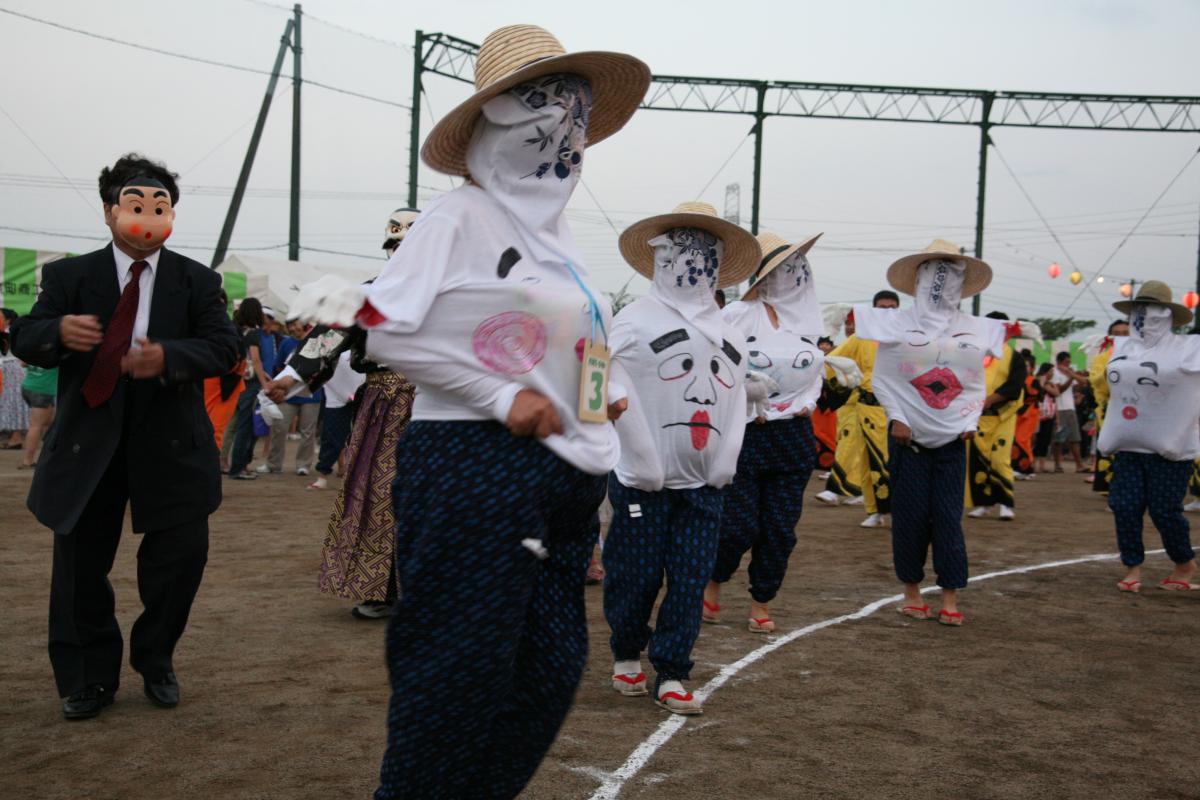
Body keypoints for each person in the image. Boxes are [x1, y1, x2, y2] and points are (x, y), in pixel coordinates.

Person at [290, 26, 650, 799]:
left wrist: (598, 404)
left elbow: (579, 347)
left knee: (547, 673)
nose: (562, 130)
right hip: (474, 465)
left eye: (574, 114)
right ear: (495, 121)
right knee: (456, 675)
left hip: (562, 478)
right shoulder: (458, 218)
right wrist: (499, 394)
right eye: (542, 109)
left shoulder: (558, 242)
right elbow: (383, 326)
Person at [10, 153, 238, 719]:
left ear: (171, 215)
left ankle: (156, 658)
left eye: (161, 205)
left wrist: (170, 356)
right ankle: (89, 676)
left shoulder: (196, 280)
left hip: (171, 442)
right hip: (89, 441)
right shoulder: (68, 276)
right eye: (134, 203)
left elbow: (224, 347)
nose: (147, 214)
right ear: (111, 212)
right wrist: (58, 331)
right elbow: (26, 334)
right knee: (79, 570)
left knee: (179, 562)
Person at [604, 201, 757, 714]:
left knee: (691, 579)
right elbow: (599, 379)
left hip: (703, 486)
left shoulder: (731, 331)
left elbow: (734, 398)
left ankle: (672, 670)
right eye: (682, 251)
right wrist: (636, 450)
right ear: (661, 256)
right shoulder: (631, 320)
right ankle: (627, 652)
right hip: (639, 484)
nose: (694, 265)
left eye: (705, 254)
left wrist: (726, 459)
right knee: (635, 575)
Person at [270, 208, 422, 619]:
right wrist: (288, 380)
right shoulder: (366, 296)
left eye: (412, 245)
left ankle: (436, 594)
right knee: (377, 494)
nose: (402, 253)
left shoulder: (449, 295)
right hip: (384, 403)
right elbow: (325, 341)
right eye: (396, 246)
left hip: (440, 405)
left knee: (439, 497)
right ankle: (380, 590)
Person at [705, 230, 855, 632]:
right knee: (738, 526)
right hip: (747, 434)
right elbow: (713, 365)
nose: (795, 275)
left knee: (779, 529)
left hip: (793, 436)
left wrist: (811, 396)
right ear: (765, 275)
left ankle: (761, 601)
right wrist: (744, 392)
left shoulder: (807, 324)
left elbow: (812, 374)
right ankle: (714, 580)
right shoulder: (737, 315)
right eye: (785, 269)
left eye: (799, 268)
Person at [852, 240, 1007, 626]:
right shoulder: (893, 324)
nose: (941, 283)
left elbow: (976, 384)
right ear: (919, 279)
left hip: (955, 441)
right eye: (933, 274)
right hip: (908, 440)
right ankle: (912, 591)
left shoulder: (979, 329)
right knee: (909, 517)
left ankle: (950, 595)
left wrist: (970, 422)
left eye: (951, 274)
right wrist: (897, 417)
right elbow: (883, 379)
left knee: (948, 518)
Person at [1097, 281, 1200, 592]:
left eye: (1152, 310)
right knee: (1124, 505)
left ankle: (1184, 562)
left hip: (1172, 448)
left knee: (1164, 510)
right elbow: (1106, 386)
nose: (1143, 317)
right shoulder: (1122, 348)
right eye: (1138, 311)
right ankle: (1133, 566)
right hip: (1128, 444)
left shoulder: (1188, 348)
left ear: (1168, 314)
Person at [815, 289, 900, 528]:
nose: (888, 311)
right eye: (882, 307)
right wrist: (843, 381)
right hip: (867, 406)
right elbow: (833, 360)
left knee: (897, 461)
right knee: (869, 460)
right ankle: (876, 510)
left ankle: (901, 511)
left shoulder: (907, 337)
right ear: (873, 310)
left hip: (900, 409)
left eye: (892, 307)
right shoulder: (862, 337)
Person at [965, 312, 1027, 520]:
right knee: (978, 460)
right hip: (977, 416)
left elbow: (1014, 386)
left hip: (1002, 415)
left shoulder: (1013, 356)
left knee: (1000, 459)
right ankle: (983, 503)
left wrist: (989, 400)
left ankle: (1005, 503)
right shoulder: (973, 352)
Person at [262, 320, 321, 475]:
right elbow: (279, 366)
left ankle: (303, 465)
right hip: (287, 393)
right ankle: (273, 464)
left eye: (296, 324)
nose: (293, 328)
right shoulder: (286, 343)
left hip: (312, 394)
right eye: (290, 325)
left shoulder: (317, 342)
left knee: (308, 431)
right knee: (279, 427)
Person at [226, 298, 272, 479]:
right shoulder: (253, 334)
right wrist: (265, 383)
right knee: (246, 427)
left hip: (235, 380)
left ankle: (240, 466)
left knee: (237, 425)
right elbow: (255, 360)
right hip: (250, 384)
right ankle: (238, 468)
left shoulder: (234, 330)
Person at [307, 351, 364, 491]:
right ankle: (322, 475)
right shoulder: (328, 344)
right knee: (331, 436)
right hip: (336, 395)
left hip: (364, 391)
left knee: (365, 436)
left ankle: (360, 477)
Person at [1089, 319, 1129, 494]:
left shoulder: (1142, 356)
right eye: (1117, 334)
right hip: (1109, 411)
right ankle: (1111, 487)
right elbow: (1096, 383)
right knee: (1110, 450)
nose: (1121, 337)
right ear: (1110, 336)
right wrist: (1108, 371)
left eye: (1125, 333)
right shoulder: (1102, 358)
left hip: (1134, 411)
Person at [203, 290, 244, 452]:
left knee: (215, 430)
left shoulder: (230, 329)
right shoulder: (198, 325)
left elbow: (238, 359)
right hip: (206, 384)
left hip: (224, 385)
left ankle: (210, 469)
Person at [1050, 350, 1087, 472]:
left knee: (1075, 438)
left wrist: (1079, 377)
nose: (1068, 364)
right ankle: (1057, 465)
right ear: (1059, 362)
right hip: (1059, 409)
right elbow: (1059, 390)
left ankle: (1079, 465)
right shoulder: (1054, 373)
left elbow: (1077, 386)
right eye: (1066, 362)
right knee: (1059, 439)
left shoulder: (1068, 373)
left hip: (1070, 408)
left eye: (1069, 362)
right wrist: (1071, 378)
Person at [1, 309, 31, 450]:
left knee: (14, 402)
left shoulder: (8, 333)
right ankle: (15, 436)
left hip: (12, 369)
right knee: (11, 402)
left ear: (7, 320)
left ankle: (16, 437)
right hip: (11, 369)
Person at [19, 362, 58, 469]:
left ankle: (50, 453)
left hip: (29, 386)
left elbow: (23, 364)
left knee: (51, 422)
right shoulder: (57, 348)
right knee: (36, 426)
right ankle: (28, 461)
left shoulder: (35, 346)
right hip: (43, 390)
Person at [1012, 352, 1042, 480]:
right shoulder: (1018, 379)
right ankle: (1023, 468)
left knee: (1022, 439)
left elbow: (1037, 396)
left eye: (1027, 366)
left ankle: (1025, 468)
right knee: (1018, 440)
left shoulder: (1033, 381)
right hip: (1018, 413)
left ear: (1032, 368)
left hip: (1030, 413)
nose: (1024, 369)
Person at [1033, 362, 1060, 473]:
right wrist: (1044, 383)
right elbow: (1053, 392)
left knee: (1044, 440)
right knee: (1037, 440)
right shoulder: (1038, 381)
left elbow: (1056, 394)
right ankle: (1033, 464)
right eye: (1051, 371)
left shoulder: (1048, 383)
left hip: (1048, 415)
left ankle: (1040, 466)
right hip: (1038, 414)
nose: (1053, 373)